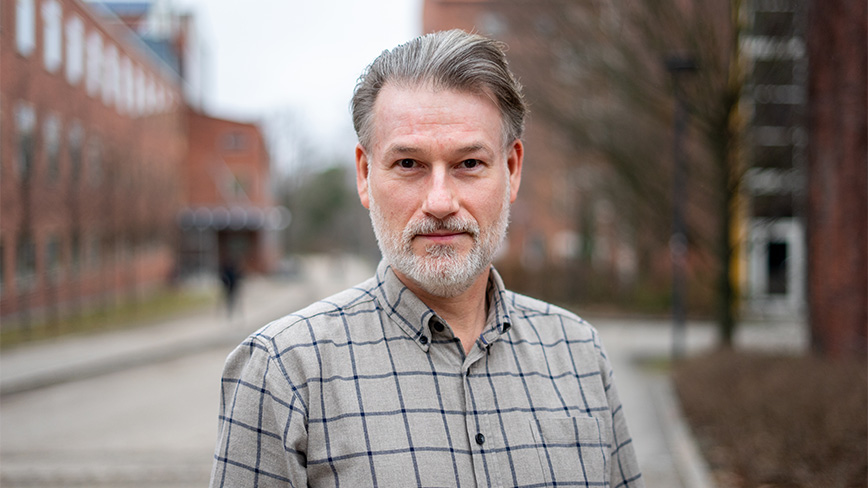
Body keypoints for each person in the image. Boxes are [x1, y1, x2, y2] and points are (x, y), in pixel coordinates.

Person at [210, 29, 644, 487]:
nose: (440, 202)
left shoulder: (580, 355)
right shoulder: (283, 373)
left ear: (512, 170)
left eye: (469, 164)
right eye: (409, 165)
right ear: (364, 175)